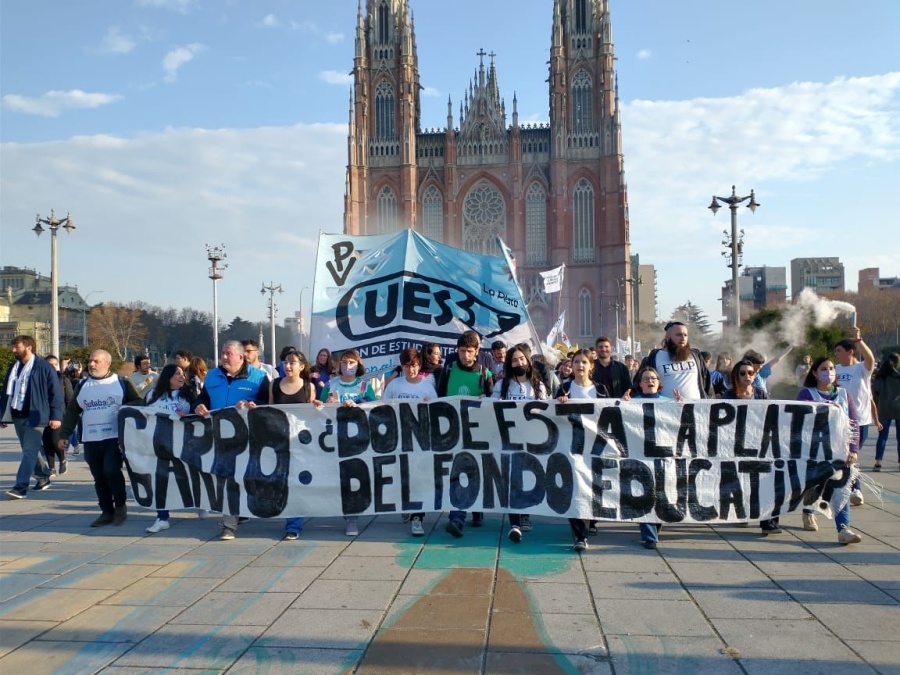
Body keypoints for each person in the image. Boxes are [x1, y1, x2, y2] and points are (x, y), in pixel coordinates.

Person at [192, 340, 269, 540]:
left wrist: (253, 403)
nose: (224, 357)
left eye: (228, 353)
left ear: (241, 357)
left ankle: (241, 510)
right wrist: (198, 405)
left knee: (245, 478)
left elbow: (269, 403)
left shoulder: (259, 377)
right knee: (226, 479)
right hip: (219, 436)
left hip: (248, 436)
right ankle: (229, 525)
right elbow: (203, 398)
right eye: (223, 353)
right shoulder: (212, 375)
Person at [58, 350, 143, 525]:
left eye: (96, 361)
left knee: (111, 471)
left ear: (107, 363)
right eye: (90, 361)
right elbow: (73, 411)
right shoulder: (83, 385)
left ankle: (120, 506)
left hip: (114, 438)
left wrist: (124, 408)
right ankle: (106, 511)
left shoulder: (121, 382)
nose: (91, 364)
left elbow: (139, 403)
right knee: (99, 476)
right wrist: (64, 434)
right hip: (91, 439)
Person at [797, 357, 862, 544]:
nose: (829, 372)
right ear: (815, 373)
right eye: (824, 369)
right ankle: (808, 512)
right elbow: (797, 422)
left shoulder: (844, 395)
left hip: (840, 451)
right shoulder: (807, 394)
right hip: (814, 450)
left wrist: (853, 449)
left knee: (841, 489)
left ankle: (843, 529)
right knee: (814, 485)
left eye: (832, 368)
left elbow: (854, 423)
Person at [440, 330, 494, 537]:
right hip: (453, 429)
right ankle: (457, 517)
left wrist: (486, 399)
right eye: (462, 351)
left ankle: (476, 510)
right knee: (458, 472)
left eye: (469, 351)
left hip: (477, 431)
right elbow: (440, 396)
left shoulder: (485, 374)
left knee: (476, 471)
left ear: (477, 351)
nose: (465, 355)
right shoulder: (448, 369)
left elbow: (493, 403)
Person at [493, 344, 547, 545]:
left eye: (521, 359)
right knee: (513, 480)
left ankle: (526, 515)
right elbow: (491, 407)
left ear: (528, 360)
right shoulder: (502, 386)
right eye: (514, 360)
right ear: (509, 364)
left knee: (530, 479)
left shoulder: (538, 386)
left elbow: (547, 410)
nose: (519, 363)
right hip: (509, 441)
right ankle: (514, 522)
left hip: (533, 442)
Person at [381, 347, 438, 536]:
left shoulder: (427, 387)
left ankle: (417, 517)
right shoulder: (394, 386)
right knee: (401, 476)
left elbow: (437, 411)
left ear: (419, 365)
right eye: (406, 366)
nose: (410, 370)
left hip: (420, 440)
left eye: (413, 365)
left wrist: (430, 407)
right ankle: (405, 504)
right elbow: (383, 409)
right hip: (399, 439)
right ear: (401, 366)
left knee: (418, 479)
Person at [320, 349, 377, 536]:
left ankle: (352, 518)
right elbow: (318, 408)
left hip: (357, 438)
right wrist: (325, 403)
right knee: (339, 478)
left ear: (358, 365)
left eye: (352, 362)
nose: (347, 366)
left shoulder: (364, 386)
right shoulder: (331, 384)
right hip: (334, 437)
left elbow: (372, 406)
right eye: (344, 362)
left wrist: (357, 403)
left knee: (354, 477)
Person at [720, 360, 780, 535]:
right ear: (736, 376)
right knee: (742, 481)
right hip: (736, 444)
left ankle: (768, 522)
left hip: (759, 443)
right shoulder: (729, 395)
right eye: (743, 373)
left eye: (750, 373)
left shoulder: (761, 394)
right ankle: (743, 511)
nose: (747, 376)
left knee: (766, 481)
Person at [556, 349, 607, 550]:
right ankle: (579, 535)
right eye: (576, 362)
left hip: (595, 446)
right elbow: (553, 416)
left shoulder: (600, 390)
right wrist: (559, 404)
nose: (580, 365)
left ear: (591, 366)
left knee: (593, 486)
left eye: (584, 362)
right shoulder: (564, 389)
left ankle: (591, 520)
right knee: (574, 487)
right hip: (571, 446)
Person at [622, 365, 678, 549]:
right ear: (639, 383)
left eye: (653, 378)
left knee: (661, 492)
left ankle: (655, 524)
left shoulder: (668, 402)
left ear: (659, 382)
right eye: (645, 378)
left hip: (662, 453)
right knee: (644, 492)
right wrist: (623, 405)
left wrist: (681, 406)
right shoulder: (633, 402)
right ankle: (649, 535)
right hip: (640, 454)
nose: (649, 381)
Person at [1, 336, 63, 499]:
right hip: (17, 414)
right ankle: (43, 476)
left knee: (29, 450)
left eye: (17, 347)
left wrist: (56, 416)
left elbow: (55, 392)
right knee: (30, 450)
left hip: (37, 415)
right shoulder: (14, 367)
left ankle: (20, 487)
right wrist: (2, 415)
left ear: (29, 347)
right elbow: (6, 391)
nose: (14, 350)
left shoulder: (43, 367)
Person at [269, 350, 322, 540]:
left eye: (292, 363)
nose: (288, 366)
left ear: (302, 366)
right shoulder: (274, 385)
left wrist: (317, 407)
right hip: (279, 440)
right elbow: (269, 410)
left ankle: (293, 525)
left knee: (296, 483)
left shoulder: (308, 387)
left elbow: (312, 416)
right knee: (283, 482)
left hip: (300, 442)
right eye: (285, 362)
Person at [143, 364, 198, 534]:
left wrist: (188, 416)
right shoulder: (152, 395)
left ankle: (201, 503)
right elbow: (143, 415)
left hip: (184, 444)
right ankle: (162, 517)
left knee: (190, 477)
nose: (182, 377)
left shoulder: (189, 394)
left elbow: (198, 418)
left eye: (183, 374)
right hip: (159, 444)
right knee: (159, 480)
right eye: (177, 374)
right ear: (167, 377)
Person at [834, 329, 878, 505]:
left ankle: (854, 488)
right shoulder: (835, 369)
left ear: (850, 352)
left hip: (859, 420)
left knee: (852, 454)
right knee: (846, 454)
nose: (836, 354)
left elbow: (870, 359)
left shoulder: (861, 368)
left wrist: (859, 340)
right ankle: (852, 488)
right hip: (839, 420)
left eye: (839, 351)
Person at [636, 321, 711, 399]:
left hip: (696, 405)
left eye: (685, 335)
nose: (683, 338)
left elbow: (707, 384)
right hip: (665, 405)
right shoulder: (654, 358)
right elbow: (639, 384)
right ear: (667, 336)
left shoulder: (695, 356)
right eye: (679, 335)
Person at [42, 354, 73, 476]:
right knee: (47, 442)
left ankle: (62, 459)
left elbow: (69, 399)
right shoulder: (40, 379)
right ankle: (51, 467)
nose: (53, 367)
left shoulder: (63, 379)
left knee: (55, 440)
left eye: (55, 364)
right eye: (50, 365)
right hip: (43, 415)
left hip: (59, 415)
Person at [872, 353, 900, 471]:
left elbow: (876, 389)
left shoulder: (881, 375)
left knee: (882, 436)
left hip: (884, 408)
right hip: (898, 407)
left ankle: (878, 462)